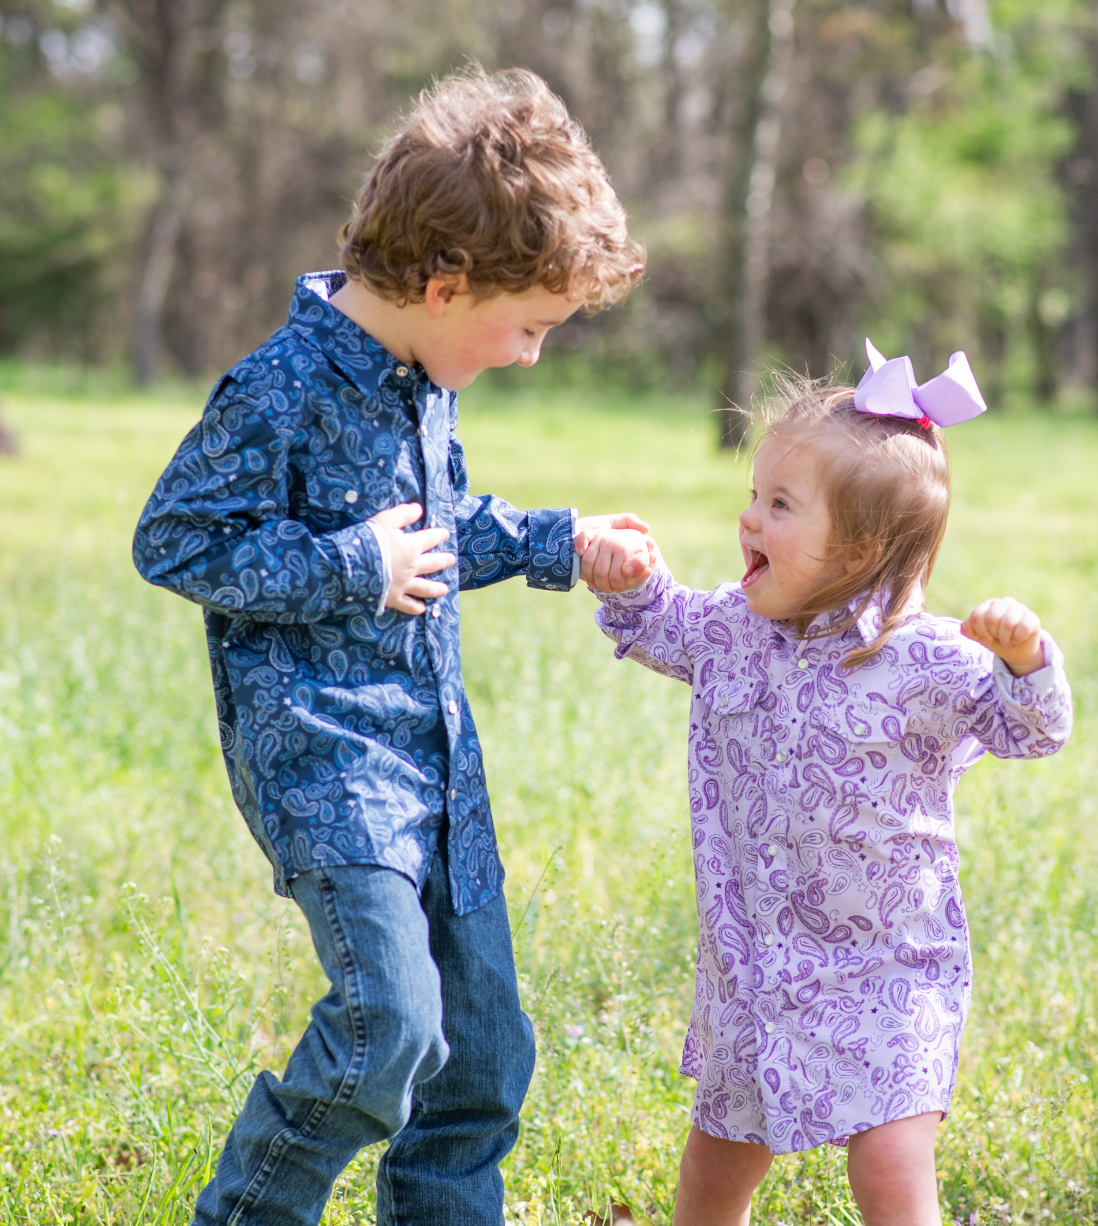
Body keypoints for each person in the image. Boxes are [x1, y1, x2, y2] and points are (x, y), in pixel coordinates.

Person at [133, 66, 652, 1226]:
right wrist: (349, 567)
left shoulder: (424, 379)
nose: (530, 354)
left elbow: (439, 533)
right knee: (389, 1030)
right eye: (529, 327)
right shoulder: (281, 386)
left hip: (440, 767)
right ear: (446, 282)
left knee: (481, 1055)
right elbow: (174, 540)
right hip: (329, 770)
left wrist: (562, 538)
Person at [577, 345, 1073, 1226]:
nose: (748, 522)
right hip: (755, 967)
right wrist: (628, 577)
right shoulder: (731, 632)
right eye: (753, 498)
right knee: (721, 1155)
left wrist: (1028, 660)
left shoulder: (925, 661)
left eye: (779, 506)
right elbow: (659, 622)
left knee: (889, 1164)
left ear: (861, 548)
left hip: (888, 971)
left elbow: (1032, 731)